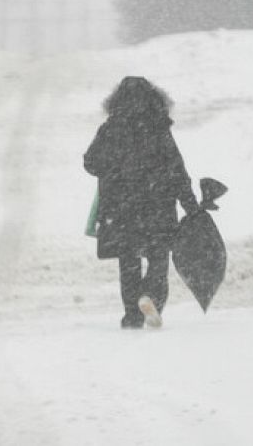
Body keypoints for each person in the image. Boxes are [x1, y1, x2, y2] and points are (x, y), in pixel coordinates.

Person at [84, 76, 199, 329]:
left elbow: (90, 162)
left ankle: (132, 314)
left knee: (129, 262)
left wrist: (114, 169)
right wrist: (190, 205)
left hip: (121, 208)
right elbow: (177, 169)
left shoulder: (110, 128)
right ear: (153, 98)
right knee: (158, 258)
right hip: (158, 205)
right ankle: (151, 297)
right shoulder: (159, 128)